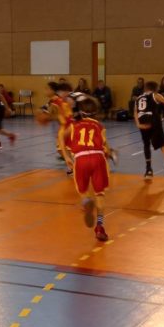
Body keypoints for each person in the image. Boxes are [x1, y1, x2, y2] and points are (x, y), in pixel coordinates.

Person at [63, 95, 116, 243]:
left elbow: (61, 138)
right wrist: (110, 153)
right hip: (98, 158)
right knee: (100, 194)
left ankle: (86, 201)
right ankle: (99, 226)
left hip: (80, 159)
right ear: (96, 112)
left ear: (81, 111)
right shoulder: (99, 126)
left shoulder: (74, 125)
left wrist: (66, 156)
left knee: (83, 189)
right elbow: (106, 148)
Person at [47, 80, 74, 171]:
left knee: (63, 148)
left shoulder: (58, 100)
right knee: (63, 149)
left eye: (61, 92)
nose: (59, 93)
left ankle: (75, 167)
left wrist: (47, 115)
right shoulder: (59, 100)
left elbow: (51, 113)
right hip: (66, 126)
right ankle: (73, 166)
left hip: (68, 126)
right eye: (59, 92)